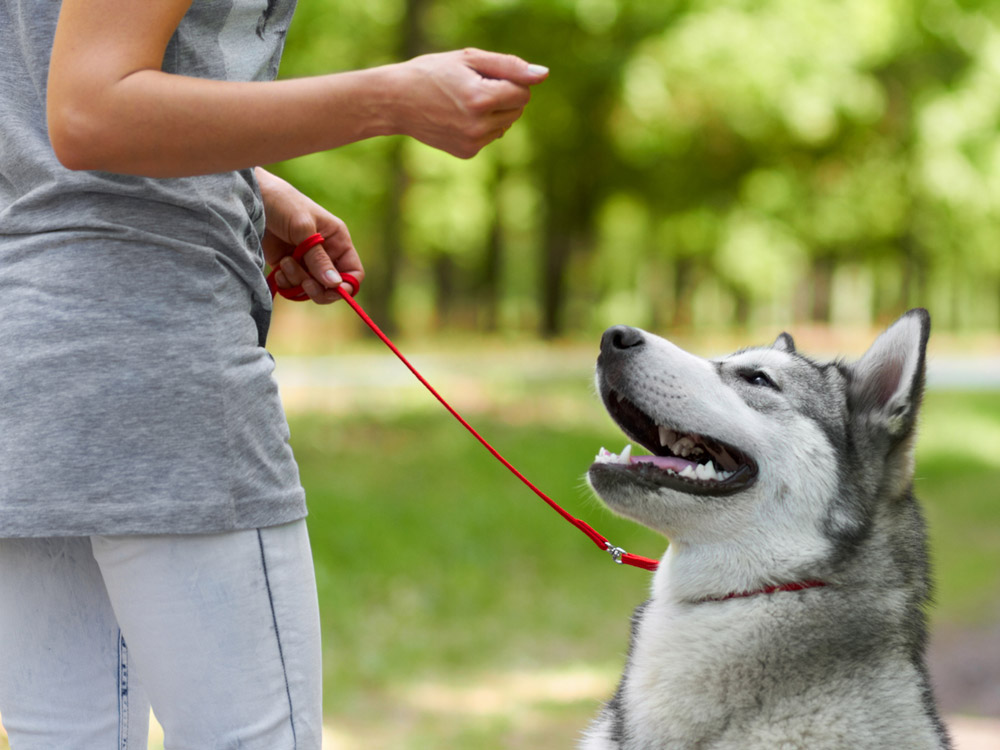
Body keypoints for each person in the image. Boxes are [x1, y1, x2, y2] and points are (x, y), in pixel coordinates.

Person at [0, 0, 548, 747]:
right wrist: (390, 98)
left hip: (29, 365)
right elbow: (88, 110)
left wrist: (246, 188)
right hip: (158, 357)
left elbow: (39, 102)